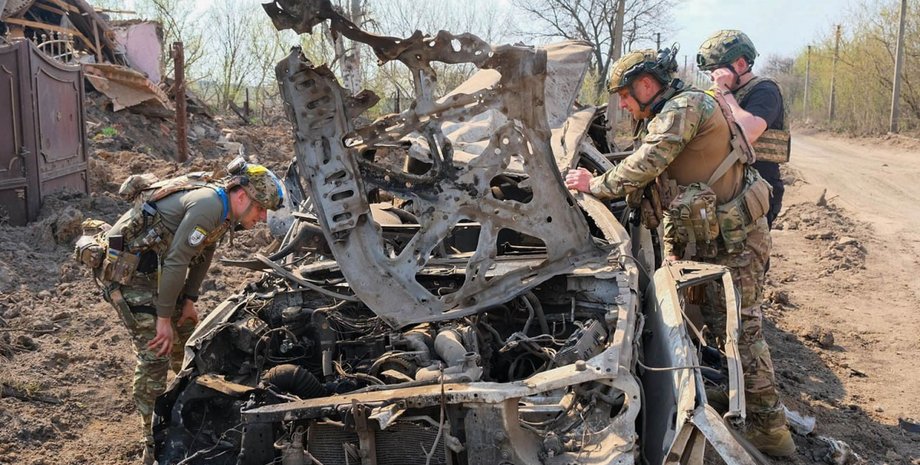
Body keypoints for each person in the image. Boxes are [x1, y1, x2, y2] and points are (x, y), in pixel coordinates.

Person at [564, 48, 795, 456]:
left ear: (647, 85)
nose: (621, 103)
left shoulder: (685, 106)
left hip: (736, 238)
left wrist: (594, 185)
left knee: (742, 331)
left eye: (623, 94)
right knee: (715, 325)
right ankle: (739, 398)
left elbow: (648, 161)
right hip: (713, 236)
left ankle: (770, 430)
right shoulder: (672, 109)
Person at [93, 159, 284, 464]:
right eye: (261, 208)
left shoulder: (223, 212)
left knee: (185, 341)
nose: (262, 217)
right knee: (156, 351)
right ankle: (151, 442)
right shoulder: (209, 206)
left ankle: (186, 407)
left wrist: (190, 300)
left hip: (157, 272)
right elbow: (177, 261)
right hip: (128, 277)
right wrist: (164, 318)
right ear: (241, 196)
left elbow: (204, 252)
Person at [697, 30, 788, 228]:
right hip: (729, 190)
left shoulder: (765, 90)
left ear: (740, 64)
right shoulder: (722, 92)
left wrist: (725, 92)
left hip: (758, 189)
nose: (713, 77)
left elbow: (749, 131)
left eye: (717, 70)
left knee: (751, 255)